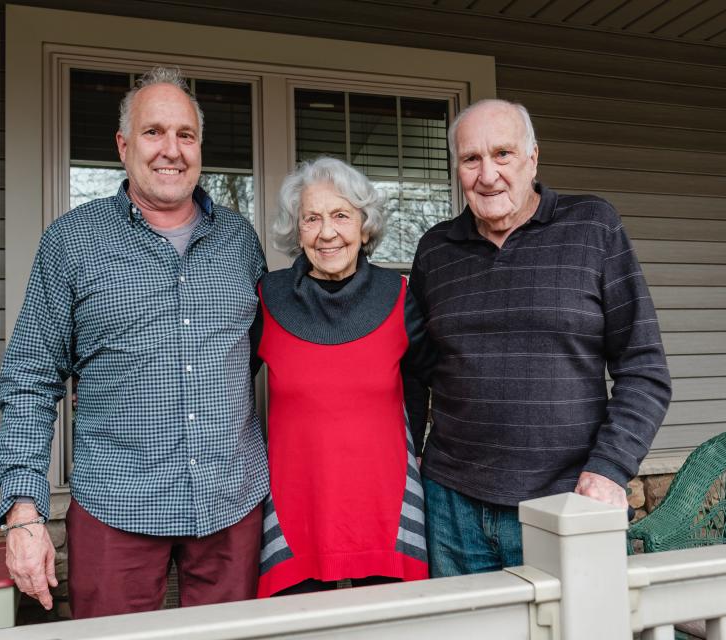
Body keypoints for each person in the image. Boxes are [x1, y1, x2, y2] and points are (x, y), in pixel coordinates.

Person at [0, 67, 267, 617]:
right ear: (123, 145)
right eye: (153, 132)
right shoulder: (72, 242)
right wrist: (24, 511)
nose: (172, 150)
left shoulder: (240, 241)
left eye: (186, 135)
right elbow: (30, 377)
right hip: (116, 505)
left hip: (232, 501)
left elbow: (253, 353)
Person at [408, 99, 671, 576]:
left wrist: (609, 469)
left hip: (566, 502)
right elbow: (417, 369)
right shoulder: (434, 251)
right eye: (471, 159)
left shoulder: (593, 226)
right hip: (451, 507)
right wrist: (409, 460)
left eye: (502, 154)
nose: (487, 174)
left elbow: (644, 368)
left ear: (533, 157)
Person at [255, 157, 433, 598]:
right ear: (297, 230)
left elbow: (423, 384)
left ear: (364, 225)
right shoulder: (266, 299)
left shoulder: (401, 297)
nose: (327, 232)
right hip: (295, 512)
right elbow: (222, 388)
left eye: (341, 215)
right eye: (311, 218)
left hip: (386, 510)